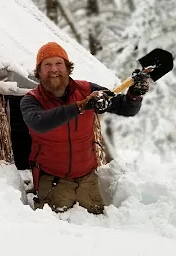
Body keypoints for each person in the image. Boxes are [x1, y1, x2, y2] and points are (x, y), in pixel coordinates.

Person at [20, 42, 150, 214]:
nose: (54, 69)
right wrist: (81, 106)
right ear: (39, 71)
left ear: (67, 67)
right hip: (53, 179)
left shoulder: (86, 90)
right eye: (47, 65)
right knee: (55, 227)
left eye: (59, 63)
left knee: (98, 226)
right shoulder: (31, 100)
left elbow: (124, 107)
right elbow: (39, 123)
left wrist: (134, 94)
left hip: (87, 178)